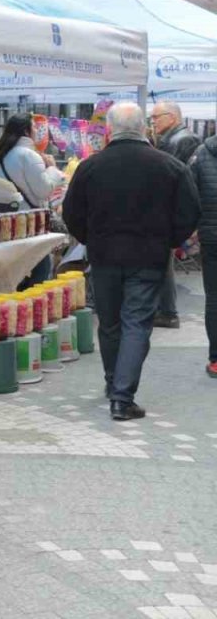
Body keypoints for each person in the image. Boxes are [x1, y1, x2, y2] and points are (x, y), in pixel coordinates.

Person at [64, 103, 200, 421]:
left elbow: (71, 213)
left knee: (109, 324)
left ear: (110, 129)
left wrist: (90, 238)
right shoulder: (169, 166)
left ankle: (114, 385)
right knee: (137, 323)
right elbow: (189, 212)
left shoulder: (90, 167)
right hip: (149, 257)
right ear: (144, 128)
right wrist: (168, 240)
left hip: (104, 256)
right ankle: (122, 397)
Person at [0, 114, 58, 285]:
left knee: (15, 274)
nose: (37, 131)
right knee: (39, 272)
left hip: (5, 223)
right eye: (34, 127)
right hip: (30, 225)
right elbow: (43, 191)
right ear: (27, 131)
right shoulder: (29, 155)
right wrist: (52, 169)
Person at [151, 101, 201, 329]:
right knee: (163, 261)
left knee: (163, 261)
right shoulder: (174, 138)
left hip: (170, 210)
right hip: (171, 209)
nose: (153, 122)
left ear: (171, 117)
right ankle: (165, 309)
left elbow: (168, 176)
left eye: (156, 117)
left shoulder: (181, 139)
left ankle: (167, 311)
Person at [191, 133, 217, 378]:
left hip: (212, 237)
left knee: (215, 298)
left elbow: (190, 195)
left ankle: (216, 360)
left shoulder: (201, 153)